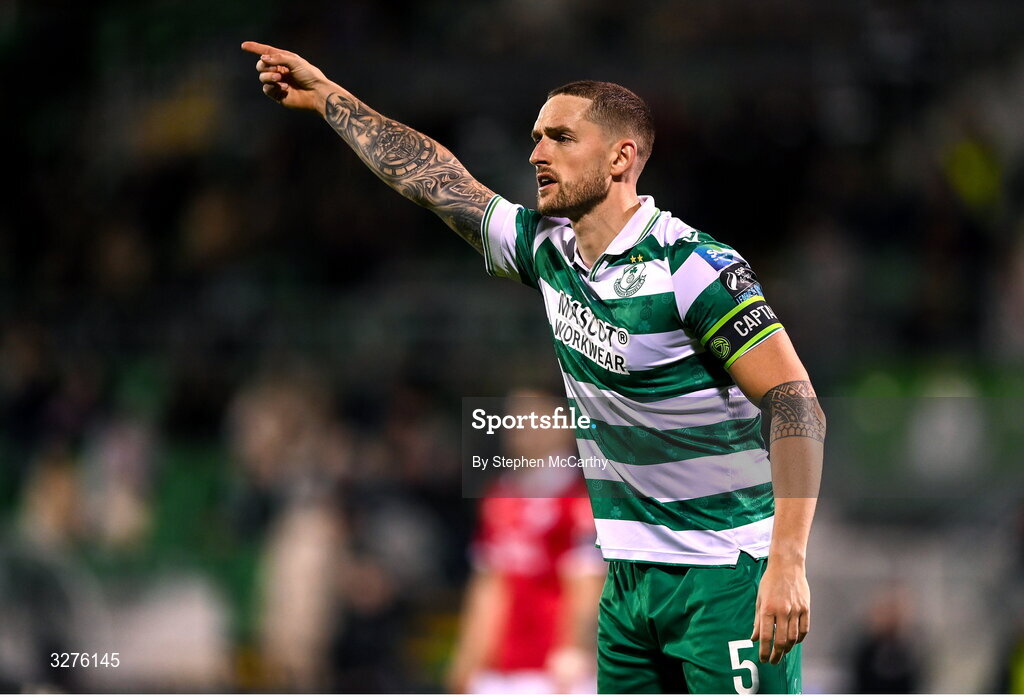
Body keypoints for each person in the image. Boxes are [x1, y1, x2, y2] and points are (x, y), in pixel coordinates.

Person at [241, 40, 826, 694]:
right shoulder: (548, 253)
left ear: (621, 157)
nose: (536, 153)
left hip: (726, 574)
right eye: (535, 137)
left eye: (560, 137)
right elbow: (437, 183)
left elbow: (796, 402)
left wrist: (788, 561)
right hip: (628, 581)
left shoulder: (693, 267)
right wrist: (326, 97)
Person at [447, 388, 606, 694]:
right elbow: (489, 585)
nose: (519, 426)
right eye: (515, 416)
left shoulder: (581, 498)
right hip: (500, 673)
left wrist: (574, 652)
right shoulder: (501, 495)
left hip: (554, 674)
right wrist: (466, 662)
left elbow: (587, 586)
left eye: (534, 416)